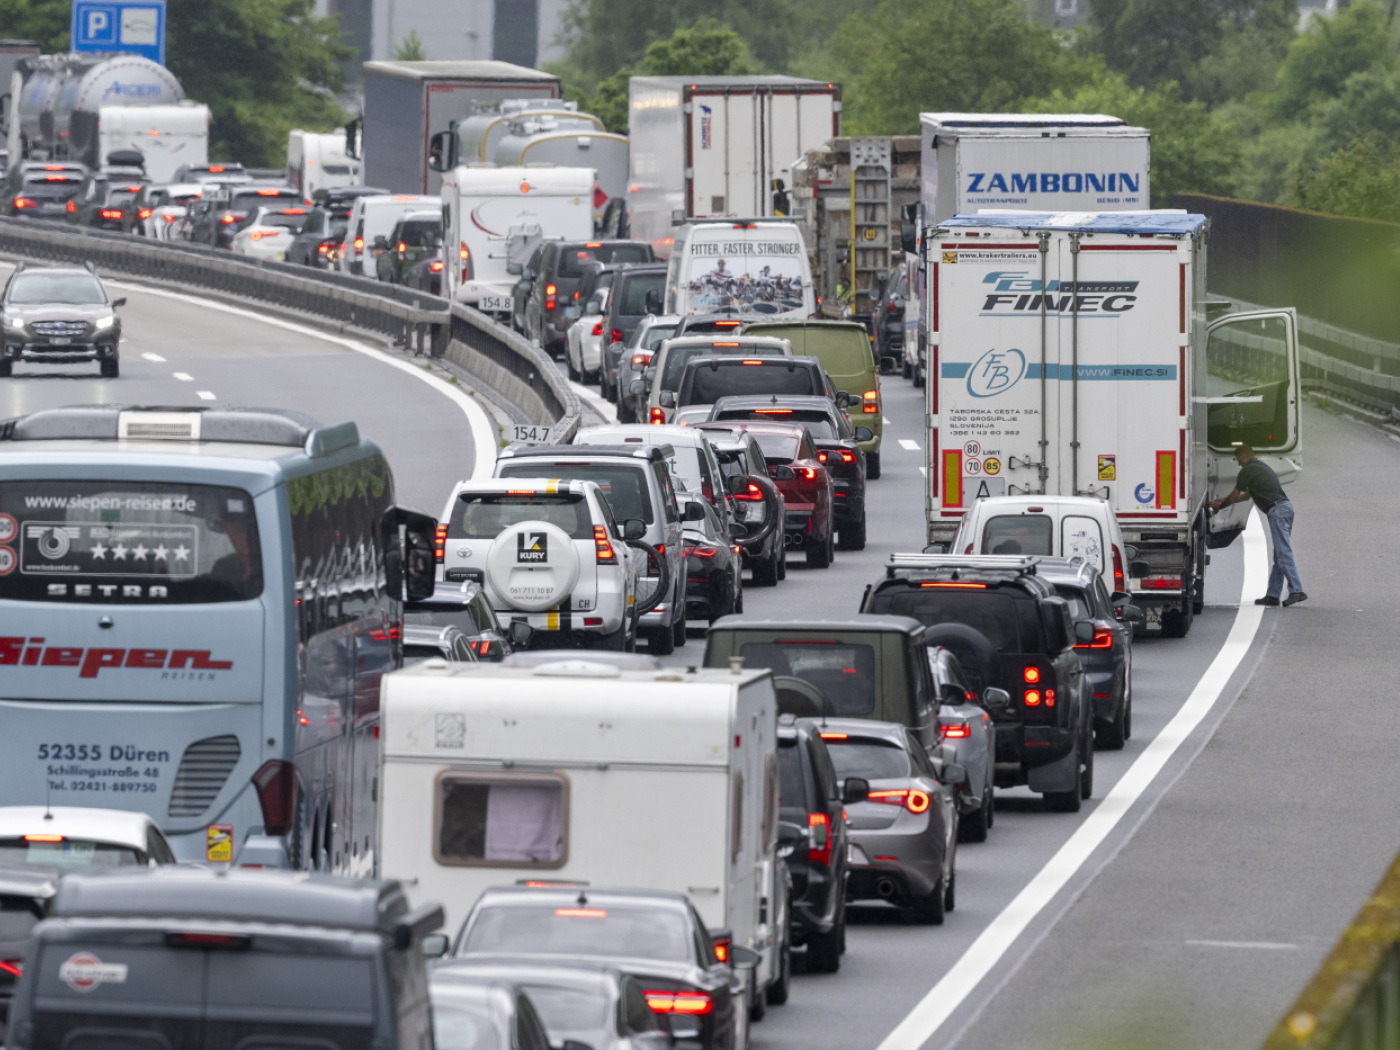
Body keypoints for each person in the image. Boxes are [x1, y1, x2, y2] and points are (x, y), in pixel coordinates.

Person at [1208, 443, 1305, 606]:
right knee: (1279, 555)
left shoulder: (1247, 470)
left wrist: (1220, 506)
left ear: (1244, 455)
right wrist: (1220, 500)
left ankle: (1297, 591)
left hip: (1278, 511)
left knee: (1283, 553)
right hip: (1284, 509)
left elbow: (1234, 496)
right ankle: (1273, 595)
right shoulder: (1259, 468)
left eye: (1238, 458)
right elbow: (1246, 496)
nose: (1238, 462)